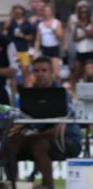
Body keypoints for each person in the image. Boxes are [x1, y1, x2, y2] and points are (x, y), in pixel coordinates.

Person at [4, 57, 82, 189]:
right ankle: (14, 185)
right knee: (8, 144)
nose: (40, 74)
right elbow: (24, 123)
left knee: (38, 145)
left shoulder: (62, 94)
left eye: (44, 70)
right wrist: (19, 136)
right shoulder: (30, 94)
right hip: (40, 138)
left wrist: (28, 138)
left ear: (52, 72)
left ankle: (49, 186)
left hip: (68, 140)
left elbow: (58, 131)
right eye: (36, 71)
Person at [3, 3, 34, 87]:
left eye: (19, 9)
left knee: (25, 71)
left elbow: (31, 37)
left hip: (24, 49)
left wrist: (22, 36)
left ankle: (26, 89)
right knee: (13, 72)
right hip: (13, 50)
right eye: (15, 9)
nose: (17, 10)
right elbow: (5, 29)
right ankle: (14, 92)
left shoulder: (27, 23)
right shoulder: (11, 22)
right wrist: (10, 14)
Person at [34, 4, 63, 79]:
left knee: (56, 72)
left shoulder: (56, 22)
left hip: (54, 48)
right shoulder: (40, 24)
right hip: (44, 49)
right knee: (45, 72)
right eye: (45, 11)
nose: (47, 12)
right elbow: (38, 39)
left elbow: (60, 37)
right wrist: (36, 51)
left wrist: (52, 29)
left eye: (48, 11)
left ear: (52, 12)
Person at [69, 0, 93, 86]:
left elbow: (91, 34)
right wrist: (84, 34)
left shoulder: (91, 21)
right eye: (82, 12)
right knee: (76, 73)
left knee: (90, 73)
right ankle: (73, 92)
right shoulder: (76, 23)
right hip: (80, 51)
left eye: (85, 12)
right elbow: (75, 38)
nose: (84, 14)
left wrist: (82, 27)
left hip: (90, 51)